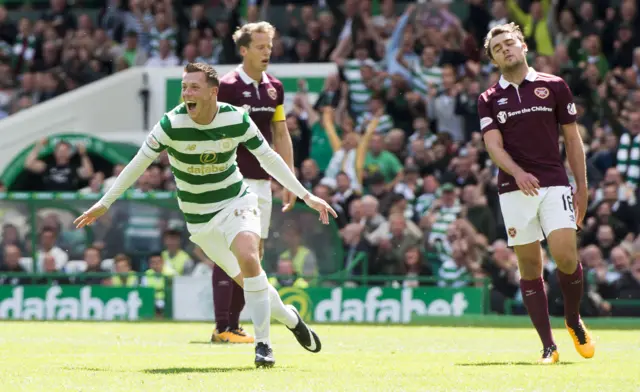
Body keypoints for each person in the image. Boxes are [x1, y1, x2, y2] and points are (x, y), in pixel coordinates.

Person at [74, 62, 337, 368]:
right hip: (200, 221)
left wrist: (307, 195)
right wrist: (105, 202)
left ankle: (264, 345)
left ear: (213, 92)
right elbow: (137, 164)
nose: (187, 93)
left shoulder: (236, 118)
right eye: (185, 87)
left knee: (250, 258)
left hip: (236, 202)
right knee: (255, 286)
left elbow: (268, 158)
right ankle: (290, 318)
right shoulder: (170, 124)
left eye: (194, 87)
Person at [477, 23, 595, 364]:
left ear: (523, 45)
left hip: (555, 183)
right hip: (513, 189)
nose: (505, 50)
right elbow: (493, 145)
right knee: (529, 268)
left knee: (566, 257)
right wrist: (517, 172)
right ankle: (548, 346)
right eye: (497, 48)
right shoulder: (488, 99)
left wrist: (582, 185)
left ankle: (573, 320)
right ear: (494, 59)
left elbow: (572, 139)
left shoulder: (554, 86)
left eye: (509, 43)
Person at [209, 21, 295, 345]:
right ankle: (223, 326)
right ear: (243, 50)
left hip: (262, 182)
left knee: (254, 255)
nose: (267, 52)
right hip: (232, 182)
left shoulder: (275, 88)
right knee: (232, 252)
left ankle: (233, 326)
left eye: (269, 47)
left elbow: (281, 134)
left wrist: (290, 179)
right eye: (260, 46)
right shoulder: (227, 87)